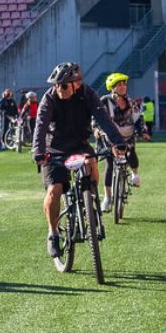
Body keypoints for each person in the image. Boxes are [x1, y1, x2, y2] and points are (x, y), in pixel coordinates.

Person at [32, 63, 131, 258]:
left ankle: (91, 200)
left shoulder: (87, 94)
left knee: (90, 162)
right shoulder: (49, 98)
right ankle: (53, 233)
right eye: (57, 85)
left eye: (64, 85)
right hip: (55, 148)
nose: (59, 89)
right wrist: (38, 151)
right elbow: (40, 126)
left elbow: (103, 119)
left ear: (76, 84)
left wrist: (118, 142)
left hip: (79, 144)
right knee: (55, 190)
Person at [102, 73, 142, 188]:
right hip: (111, 135)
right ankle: (108, 197)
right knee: (109, 162)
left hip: (127, 134)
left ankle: (135, 175)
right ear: (112, 87)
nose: (123, 86)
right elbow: (97, 117)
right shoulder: (105, 101)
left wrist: (142, 132)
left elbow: (138, 117)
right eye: (119, 84)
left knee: (131, 151)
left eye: (124, 84)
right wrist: (97, 130)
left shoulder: (130, 101)